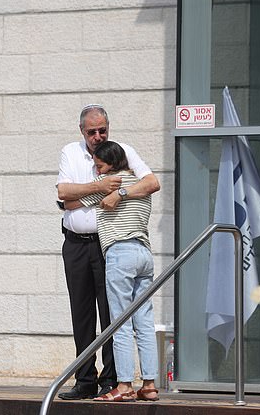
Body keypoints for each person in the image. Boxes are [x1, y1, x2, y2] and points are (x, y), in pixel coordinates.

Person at [56, 104, 160, 400]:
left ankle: (115, 381)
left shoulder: (122, 154)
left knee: (114, 317)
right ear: (82, 131)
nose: (98, 136)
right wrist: (100, 186)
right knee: (84, 314)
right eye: (92, 132)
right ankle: (86, 378)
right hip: (79, 243)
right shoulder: (71, 152)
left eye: (103, 130)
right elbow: (64, 197)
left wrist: (117, 192)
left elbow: (151, 182)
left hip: (110, 247)